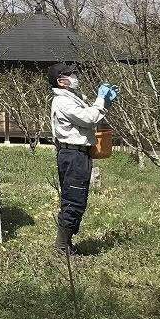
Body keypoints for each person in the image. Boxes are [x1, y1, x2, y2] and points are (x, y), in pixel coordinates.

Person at [49, 62, 118, 254]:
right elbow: (88, 118)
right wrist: (101, 99)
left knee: (77, 197)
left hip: (78, 153)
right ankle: (62, 246)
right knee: (74, 198)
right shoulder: (63, 102)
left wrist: (106, 102)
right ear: (61, 81)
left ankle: (66, 242)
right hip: (72, 154)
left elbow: (90, 118)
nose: (74, 77)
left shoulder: (71, 97)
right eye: (70, 75)